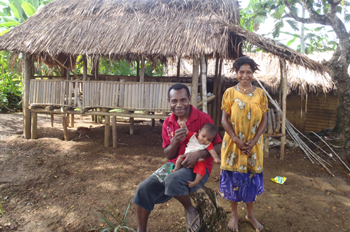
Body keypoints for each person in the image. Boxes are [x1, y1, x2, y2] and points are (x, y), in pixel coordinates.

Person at [133, 83, 222, 232]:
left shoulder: (203, 118)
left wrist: (198, 154)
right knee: (143, 189)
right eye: (174, 101)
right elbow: (168, 155)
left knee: (171, 180)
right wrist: (175, 142)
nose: (179, 105)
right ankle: (141, 230)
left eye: (183, 100)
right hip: (174, 165)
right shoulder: (168, 123)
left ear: (189, 99)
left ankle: (189, 209)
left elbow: (218, 145)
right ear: (169, 102)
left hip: (199, 167)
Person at [220, 57, 268, 232]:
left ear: (253, 74)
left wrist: (254, 141)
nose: (245, 75)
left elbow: (264, 119)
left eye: (248, 72)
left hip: (253, 146)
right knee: (234, 179)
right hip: (234, 144)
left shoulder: (260, 94)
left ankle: (250, 215)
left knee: (250, 179)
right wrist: (236, 139)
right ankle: (234, 215)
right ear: (236, 73)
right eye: (241, 72)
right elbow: (224, 120)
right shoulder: (229, 93)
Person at [171, 122, 221, 188]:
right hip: (186, 156)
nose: (205, 140)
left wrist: (216, 158)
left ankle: (195, 182)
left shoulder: (208, 145)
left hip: (199, 161)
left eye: (208, 139)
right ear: (199, 132)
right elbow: (186, 132)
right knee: (180, 158)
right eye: (203, 136)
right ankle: (176, 168)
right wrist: (184, 127)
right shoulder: (193, 136)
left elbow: (212, 151)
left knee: (200, 171)